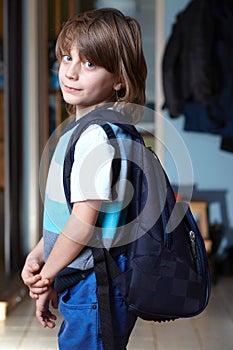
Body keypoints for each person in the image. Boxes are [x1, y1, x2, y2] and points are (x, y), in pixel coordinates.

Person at [21, 7, 147, 349]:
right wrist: (42, 253)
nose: (71, 72)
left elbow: (83, 223)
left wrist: (46, 277)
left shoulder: (95, 137)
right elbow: (69, 214)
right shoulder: (88, 130)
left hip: (96, 286)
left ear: (119, 78)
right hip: (87, 283)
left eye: (90, 63)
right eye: (66, 58)